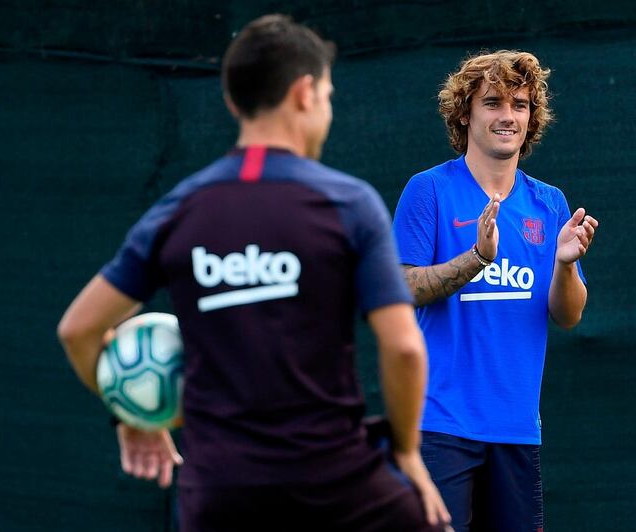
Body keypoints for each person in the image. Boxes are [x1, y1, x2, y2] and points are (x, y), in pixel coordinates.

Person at [57, 14, 450, 532]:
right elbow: (402, 348)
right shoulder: (348, 204)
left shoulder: (179, 209)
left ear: (232, 102)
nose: (327, 110)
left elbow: (78, 330)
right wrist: (406, 452)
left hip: (217, 494)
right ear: (305, 93)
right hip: (335, 484)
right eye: (328, 96)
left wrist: (132, 413)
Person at [392, 50, 599, 532]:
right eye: (493, 103)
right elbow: (401, 288)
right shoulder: (429, 191)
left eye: (521, 105)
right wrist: (476, 259)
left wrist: (565, 266)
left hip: (517, 431)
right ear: (465, 112)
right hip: (440, 428)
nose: (508, 117)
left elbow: (567, 316)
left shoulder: (549, 203)